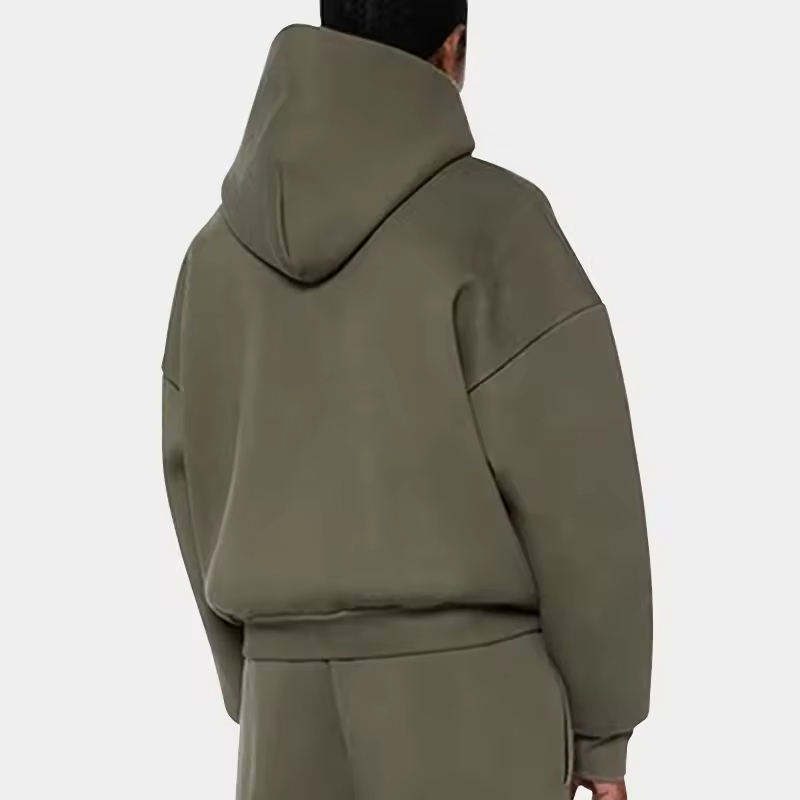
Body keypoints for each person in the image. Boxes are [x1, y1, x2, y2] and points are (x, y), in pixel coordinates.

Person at [162, 2, 651, 798]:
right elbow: (580, 493)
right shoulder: (494, 223)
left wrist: (254, 684)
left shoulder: (212, 257)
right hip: (473, 702)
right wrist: (603, 734)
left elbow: (194, 483)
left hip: (283, 703)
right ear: (452, 49)